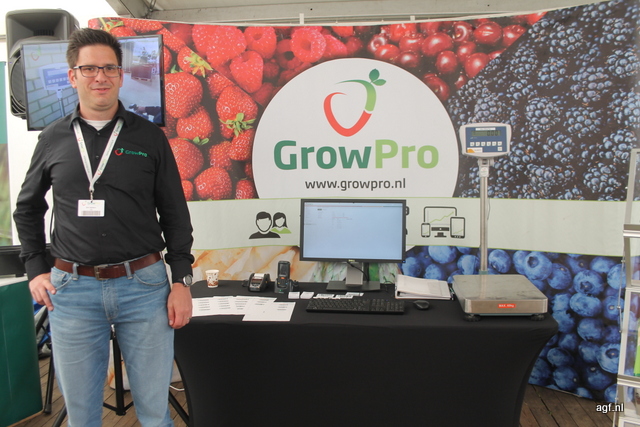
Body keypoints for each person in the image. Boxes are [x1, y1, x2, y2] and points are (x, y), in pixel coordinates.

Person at [13, 28, 194, 427]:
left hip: (144, 287)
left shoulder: (149, 137)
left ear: (121, 75)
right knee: (82, 417)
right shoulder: (52, 138)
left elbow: (175, 214)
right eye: (90, 68)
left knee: (154, 414)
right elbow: (27, 209)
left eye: (110, 68)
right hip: (72, 291)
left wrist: (182, 280)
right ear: (72, 75)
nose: (100, 77)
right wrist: (35, 269)